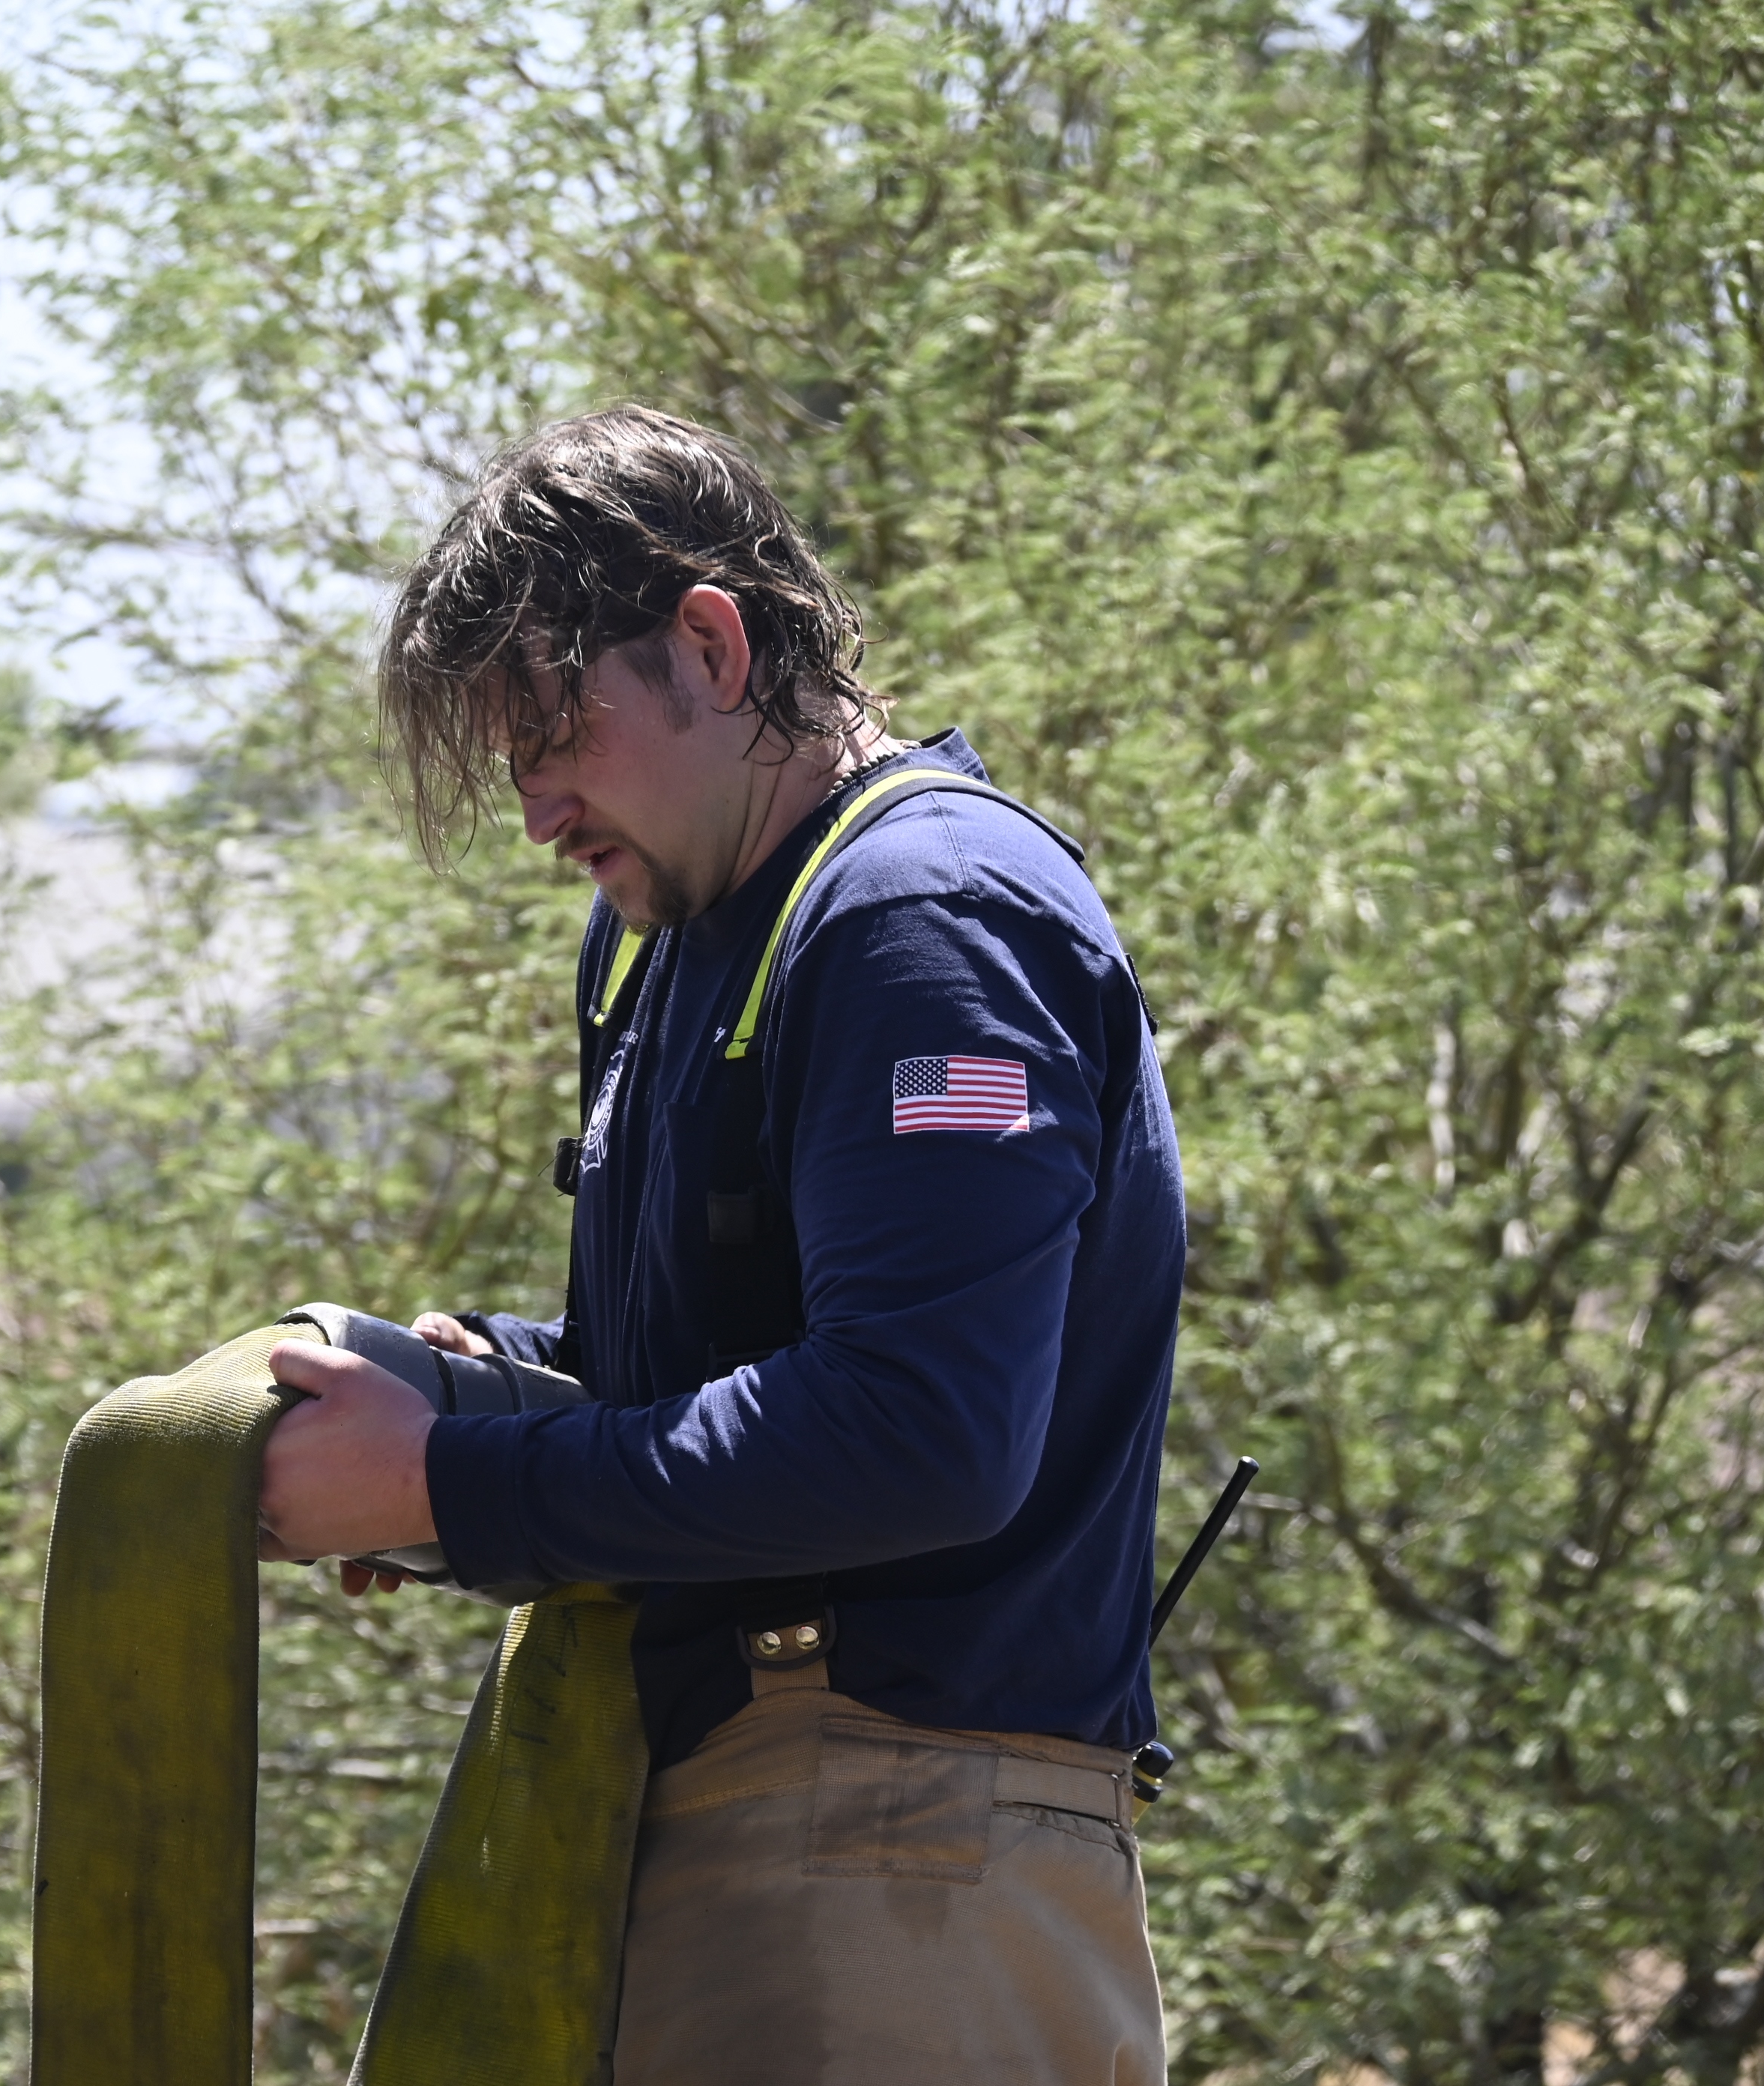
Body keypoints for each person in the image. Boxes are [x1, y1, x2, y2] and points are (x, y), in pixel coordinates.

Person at [255, 405, 1186, 2085]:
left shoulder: (925, 918)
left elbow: (920, 1431)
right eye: (509, 762)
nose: (539, 811)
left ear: (710, 644)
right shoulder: (678, 934)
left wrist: (449, 1486)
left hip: (900, 1849)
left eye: (558, 732)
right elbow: (725, 1378)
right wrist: (483, 1392)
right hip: (772, 1826)